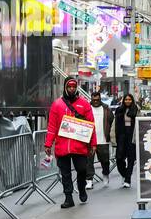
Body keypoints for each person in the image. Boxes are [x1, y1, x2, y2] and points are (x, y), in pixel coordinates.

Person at [44, 78, 97, 208]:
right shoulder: (57, 104)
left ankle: (81, 188)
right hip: (62, 146)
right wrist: (48, 144)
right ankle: (68, 198)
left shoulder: (84, 104)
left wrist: (93, 144)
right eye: (69, 87)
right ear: (65, 88)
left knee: (82, 169)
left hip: (79, 145)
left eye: (74, 86)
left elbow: (91, 125)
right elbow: (52, 126)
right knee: (65, 174)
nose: (72, 89)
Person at [114, 93, 140, 188]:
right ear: (123, 100)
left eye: (129, 99)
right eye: (126, 99)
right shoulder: (119, 110)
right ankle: (125, 174)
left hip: (132, 137)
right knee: (119, 158)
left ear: (132, 100)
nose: (128, 101)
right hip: (121, 136)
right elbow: (114, 124)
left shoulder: (136, 110)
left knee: (131, 159)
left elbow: (140, 123)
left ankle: (128, 179)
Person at [87, 89, 111, 188]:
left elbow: (111, 121)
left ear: (100, 99)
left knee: (105, 161)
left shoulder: (106, 109)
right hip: (89, 140)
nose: (96, 101)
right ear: (91, 99)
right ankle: (89, 180)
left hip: (103, 140)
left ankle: (105, 174)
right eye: (94, 100)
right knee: (89, 161)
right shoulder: (87, 108)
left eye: (97, 100)